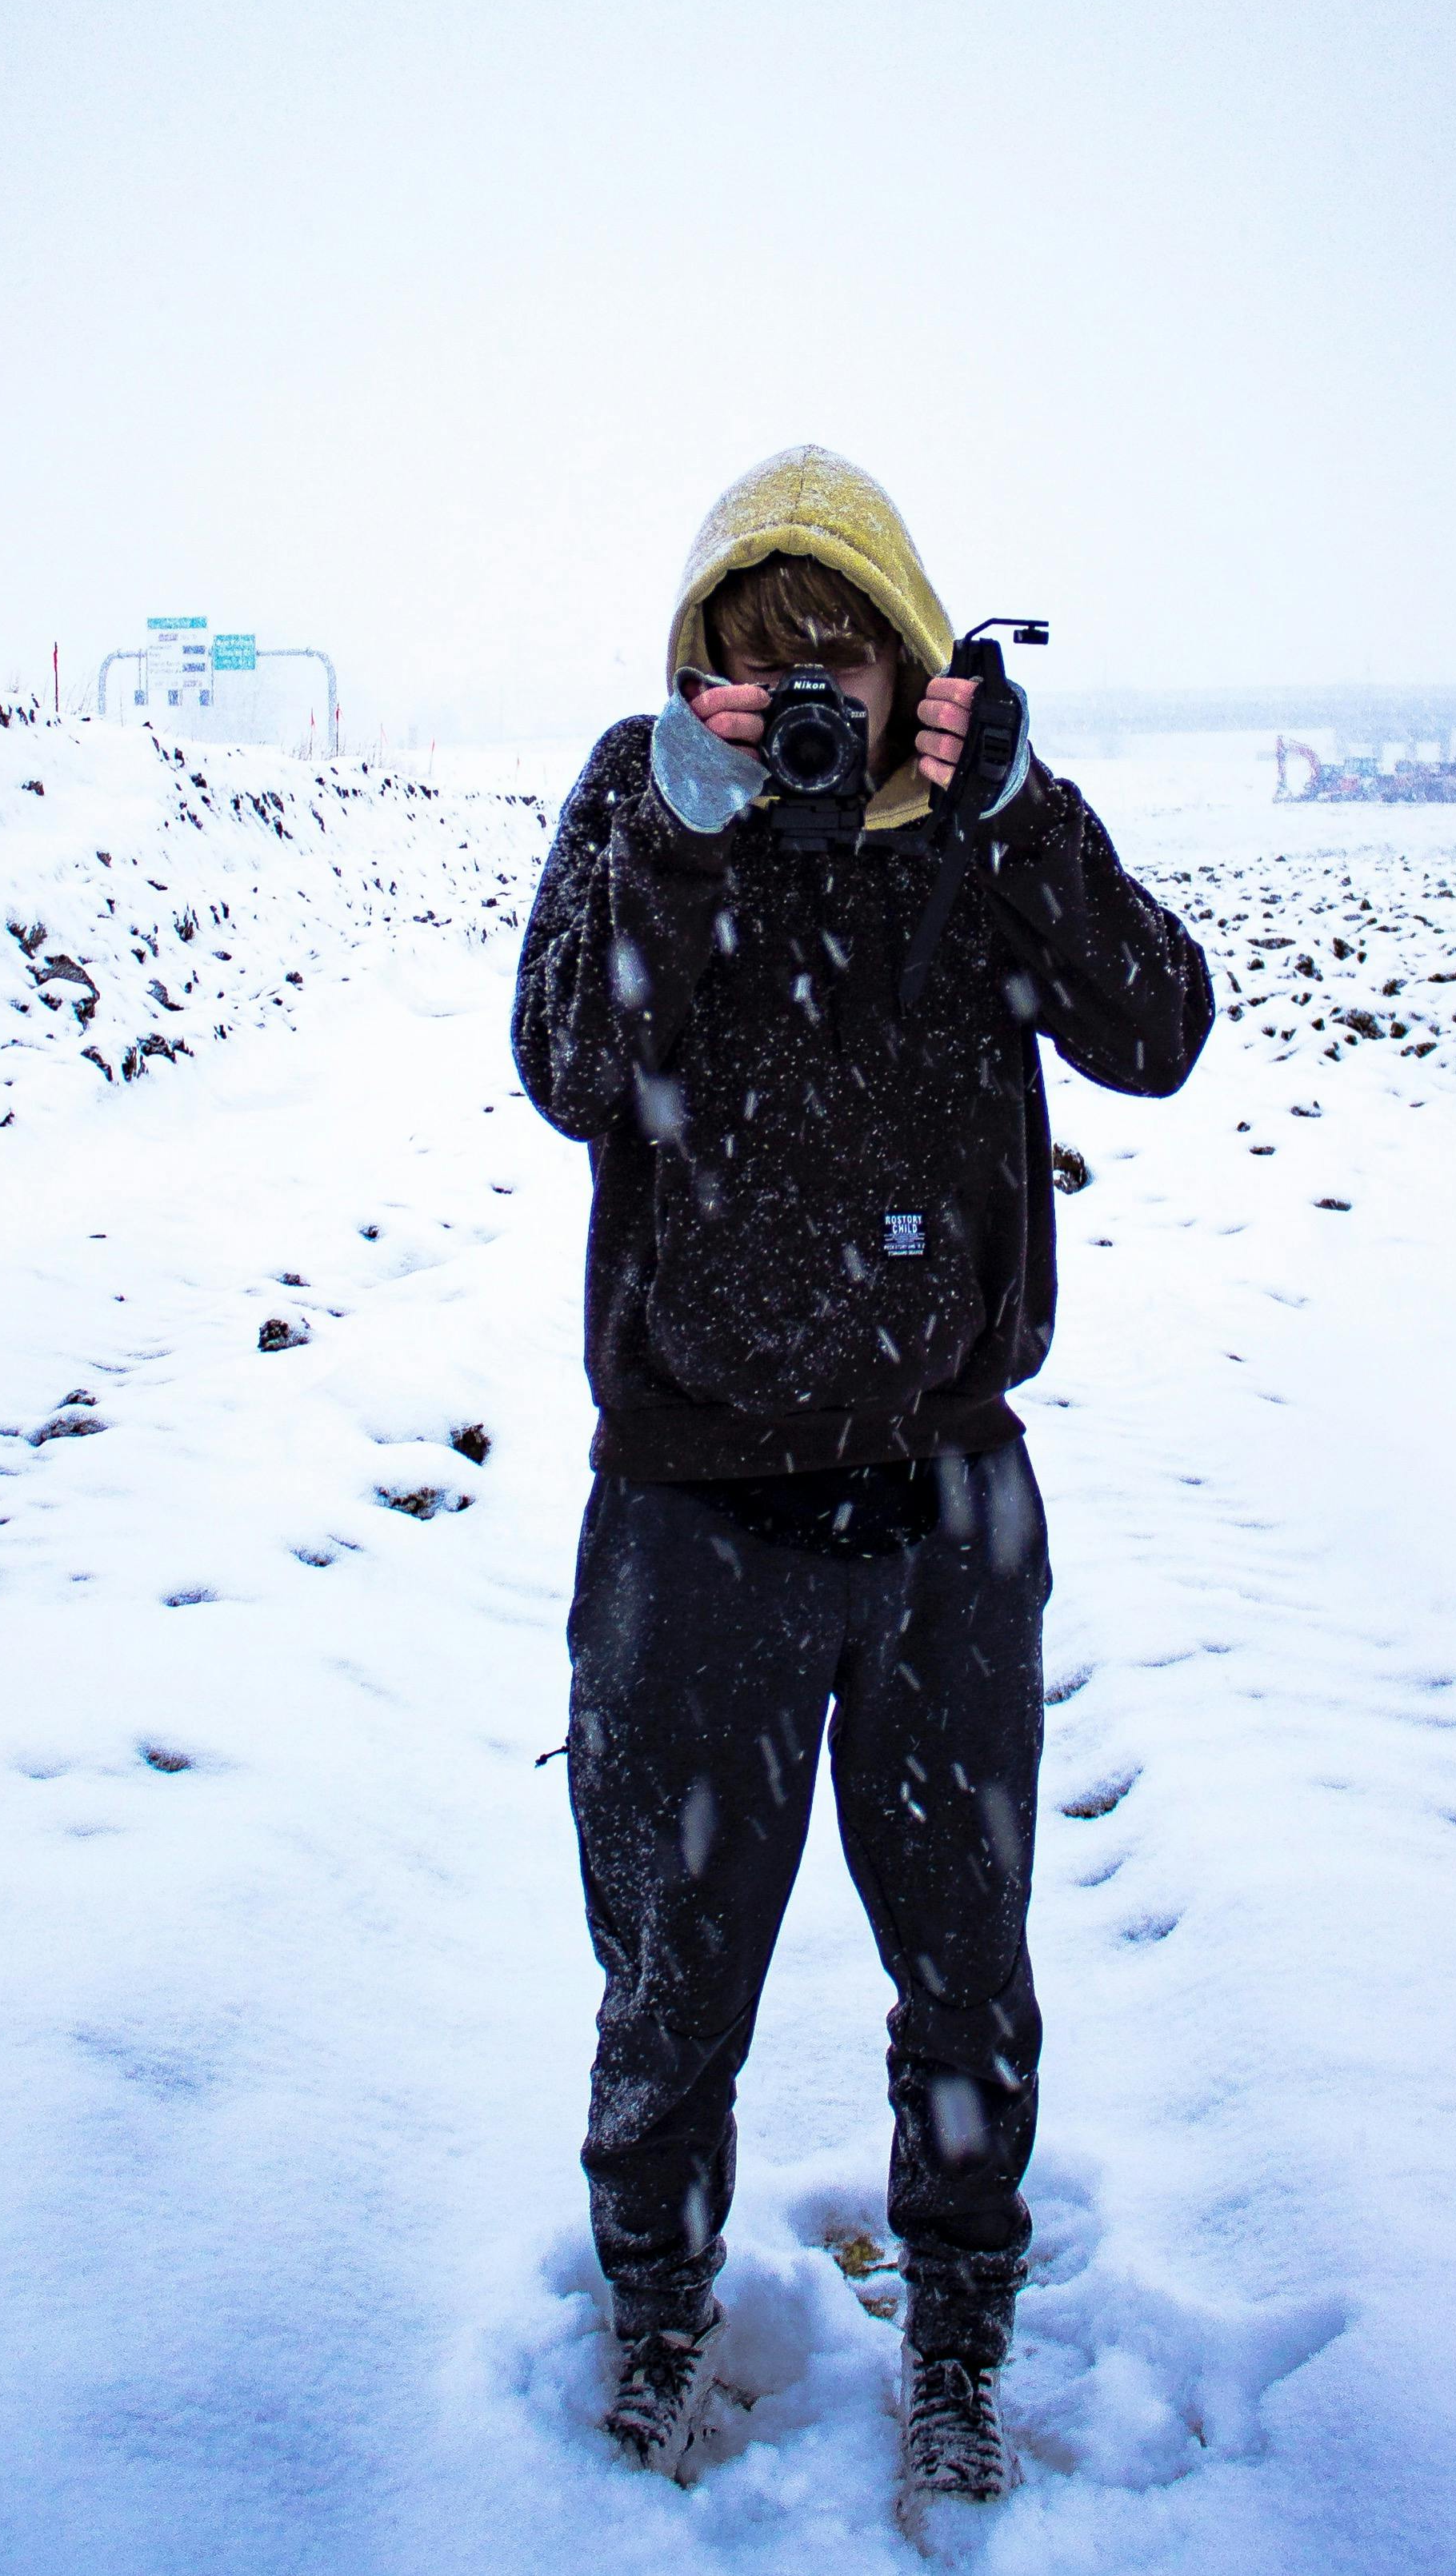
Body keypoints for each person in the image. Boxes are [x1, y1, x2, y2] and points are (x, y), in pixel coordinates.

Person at [511, 445, 1214, 2510]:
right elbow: (568, 1068)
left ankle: (961, 2350)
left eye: (840, 647)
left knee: (965, 1976)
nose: (804, 692)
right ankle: (649, 2323)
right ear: (696, 668)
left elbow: (1158, 1029)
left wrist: (1023, 813)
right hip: (688, 1518)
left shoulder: (979, 828)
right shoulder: (647, 797)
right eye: (756, 657)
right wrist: (681, 836)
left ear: (914, 653)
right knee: (668, 1981)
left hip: (937, 1517)